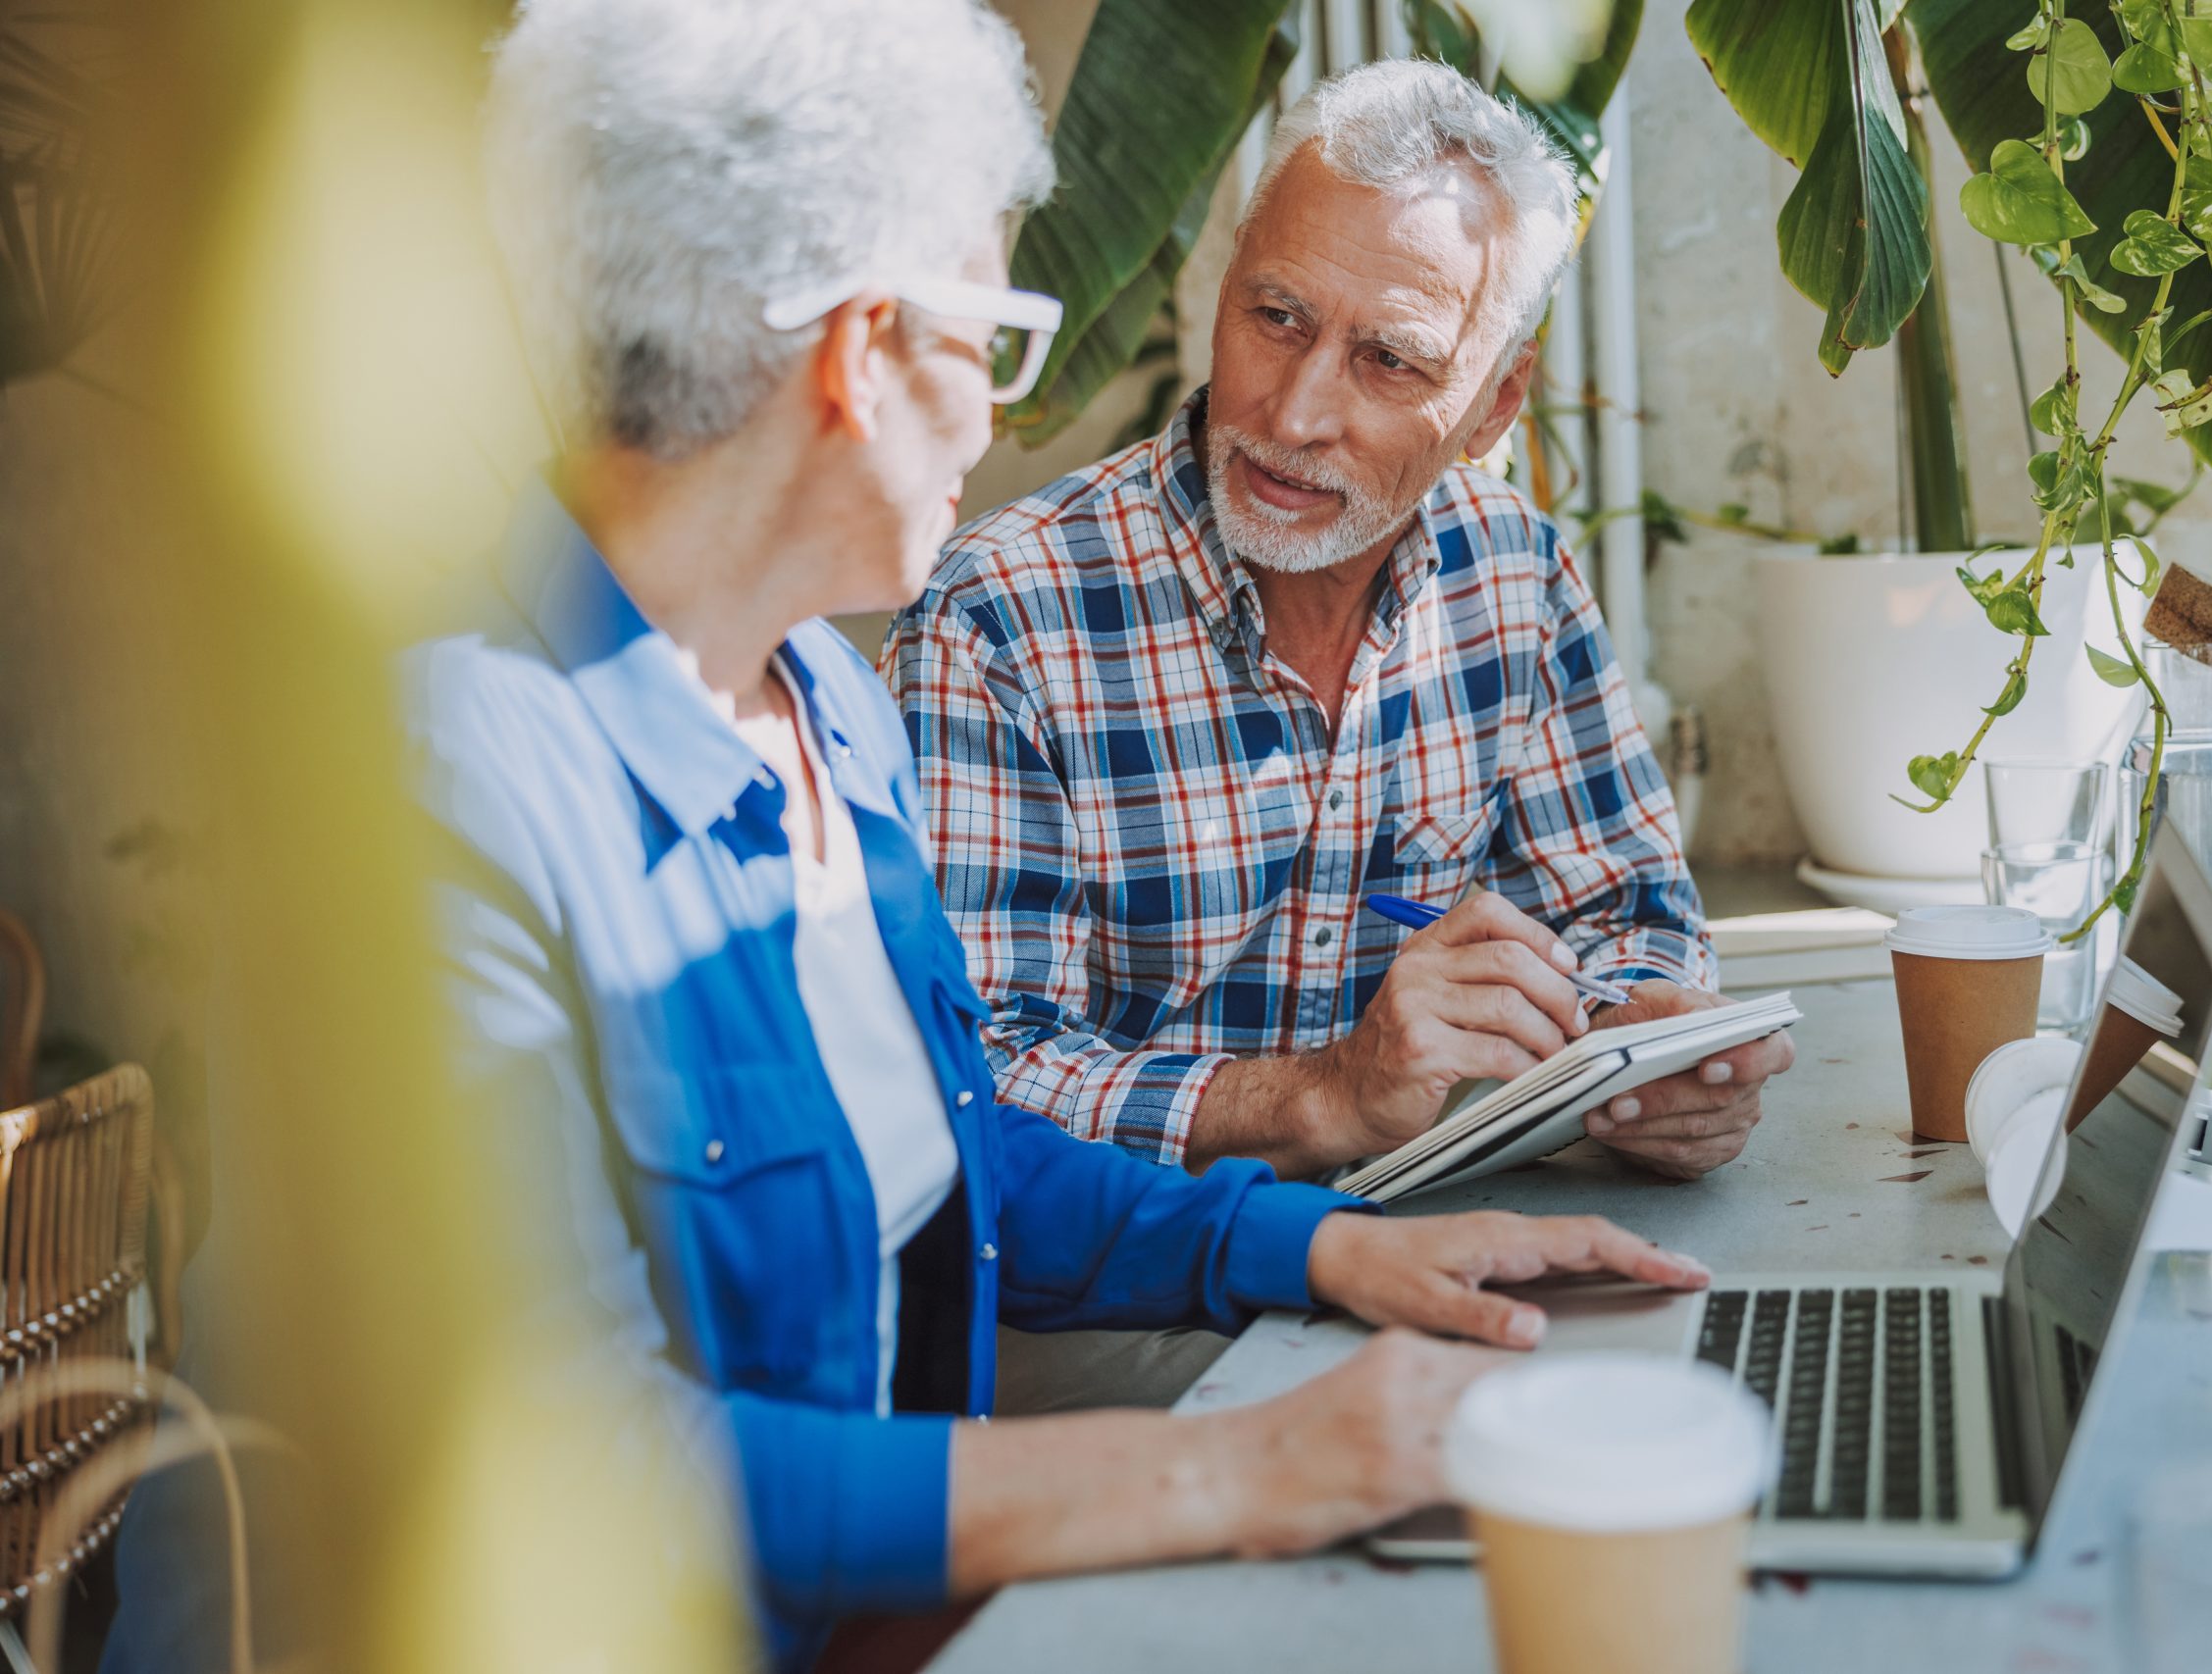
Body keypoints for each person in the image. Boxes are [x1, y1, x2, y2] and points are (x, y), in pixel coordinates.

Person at [405, 4, 1713, 1666]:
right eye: (1001, 331)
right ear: (859, 352)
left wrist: (1337, 1243)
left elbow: (969, 1158)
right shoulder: (454, 793)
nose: (998, 419)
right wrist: (1225, 1463)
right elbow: (558, 1479)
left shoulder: (820, 703)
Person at [884, 60, 1795, 1198]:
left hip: (1437, 1231)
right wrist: (1325, 1095)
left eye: (1389, 360)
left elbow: (1628, 912)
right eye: (1276, 317)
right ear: (1222, 291)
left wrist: (1646, 1055)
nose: (1294, 413)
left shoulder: (1515, 573)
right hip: (1116, 1298)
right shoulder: (998, 616)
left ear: (1492, 407)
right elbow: (966, 1071)